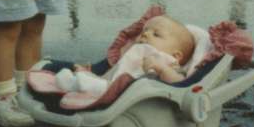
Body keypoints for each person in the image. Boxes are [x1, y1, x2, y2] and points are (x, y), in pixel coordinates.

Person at [48, 15, 197, 97]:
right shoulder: (136, 51)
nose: (145, 34)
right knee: (100, 79)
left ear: (176, 55)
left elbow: (179, 82)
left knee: (111, 84)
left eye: (156, 34)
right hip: (114, 83)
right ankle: (77, 82)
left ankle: (84, 85)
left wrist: (162, 68)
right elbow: (117, 69)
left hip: (134, 93)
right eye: (145, 31)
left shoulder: (170, 63)